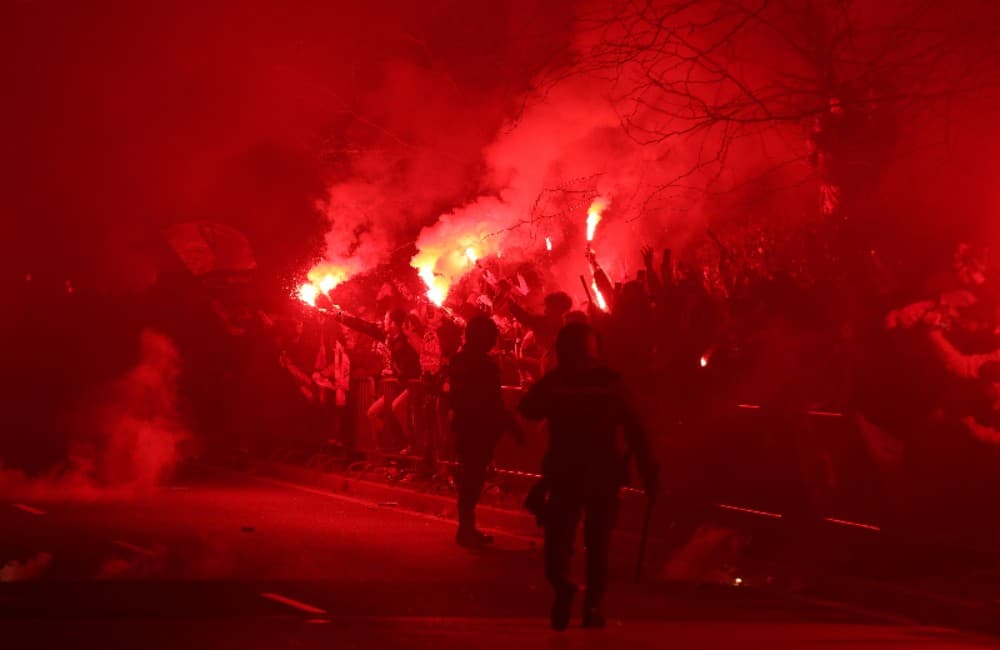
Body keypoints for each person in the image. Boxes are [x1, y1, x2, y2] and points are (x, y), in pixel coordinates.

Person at [519, 322, 658, 631]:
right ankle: (592, 605)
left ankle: (562, 586)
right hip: (603, 473)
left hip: (565, 472)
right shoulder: (610, 382)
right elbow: (636, 427)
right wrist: (649, 472)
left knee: (558, 539)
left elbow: (528, 408)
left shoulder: (556, 382)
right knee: (598, 544)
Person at [448, 315, 522, 547]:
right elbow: (493, 402)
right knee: (472, 479)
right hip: (477, 430)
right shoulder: (485, 366)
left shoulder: (458, 361)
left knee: (470, 479)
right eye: (490, 336)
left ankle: (466, 527)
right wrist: (511, 425)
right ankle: (466, 529)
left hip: (464, 428)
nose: (493, 341)